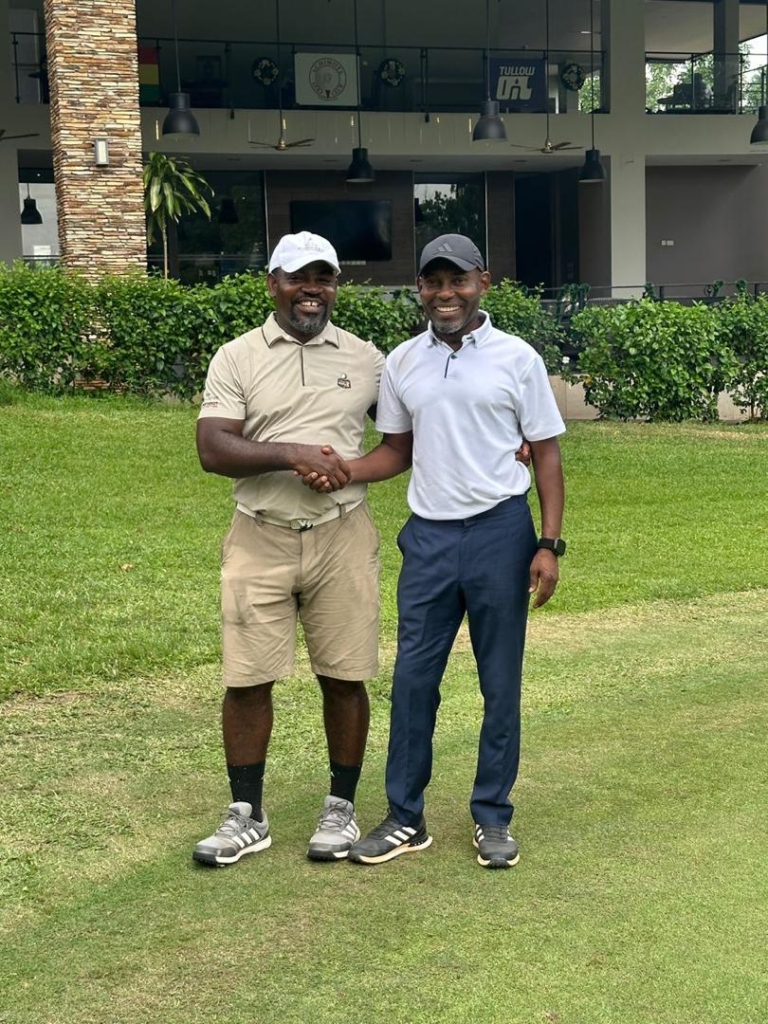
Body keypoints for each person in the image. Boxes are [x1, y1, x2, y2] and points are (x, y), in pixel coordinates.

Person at [308, 233, 566, 869]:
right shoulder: (403, 362)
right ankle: (405, 816)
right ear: (420, 288)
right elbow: (397, 450)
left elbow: (547, 453)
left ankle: (492, 816)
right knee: (413, 682)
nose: (446, 293)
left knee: (499, 683)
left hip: (501, 532)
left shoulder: (517, 358)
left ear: (483, 282)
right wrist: (345, 470)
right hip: (428, 538)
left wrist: (548, 543)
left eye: (458, 281)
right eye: (434, 282)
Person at [192, 231, 385, 866]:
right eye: (299, 277)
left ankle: (341, 806)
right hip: (260, 532)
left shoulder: (366, 359)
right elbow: (213, 448)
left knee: (345, 675)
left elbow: (412, 432)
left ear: (335, 287)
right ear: (272, 283)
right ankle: (247, 814)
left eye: (324, 278)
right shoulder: (238, 357)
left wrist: (510, 442)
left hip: (342, 533)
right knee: (247, 679)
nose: (312, 290)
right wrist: (293, 454)